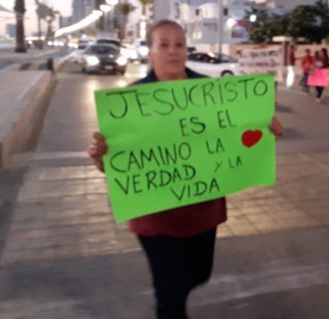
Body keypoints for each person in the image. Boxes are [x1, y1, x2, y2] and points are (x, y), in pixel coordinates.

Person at [87, 20, 284, 319]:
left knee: (199, 275)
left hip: (202, 211)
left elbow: (240, 140)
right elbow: (116, 166)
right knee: (170, 295)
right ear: (150, 52)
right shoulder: (127, 103)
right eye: (163, 44)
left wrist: (268, 133)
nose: (172, 51)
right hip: (154, 217)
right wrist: (100, 156)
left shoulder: (213, 93)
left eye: (179, 44)